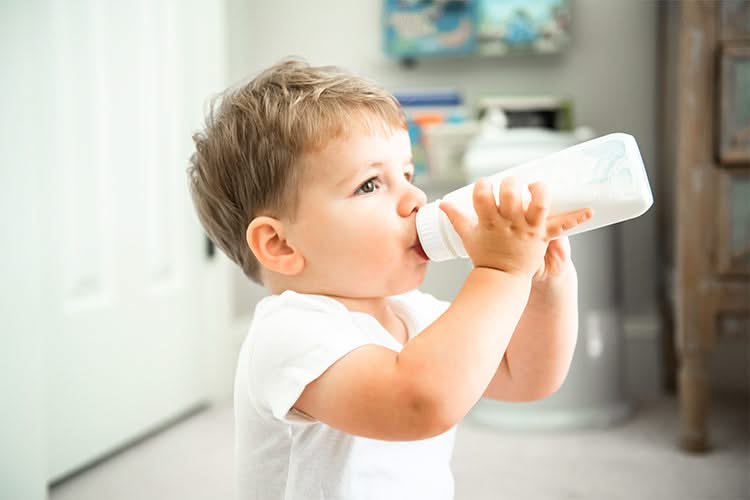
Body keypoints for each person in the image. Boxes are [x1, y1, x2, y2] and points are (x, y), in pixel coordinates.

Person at [187, 59, 592, 500]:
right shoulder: (289, 332)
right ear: (281, 245)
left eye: (408, 174)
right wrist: (500, 271)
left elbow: (525, 379)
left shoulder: (414, 312)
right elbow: (421, 403)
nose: (416, 197)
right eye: (370, 185)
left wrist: (542, 286)